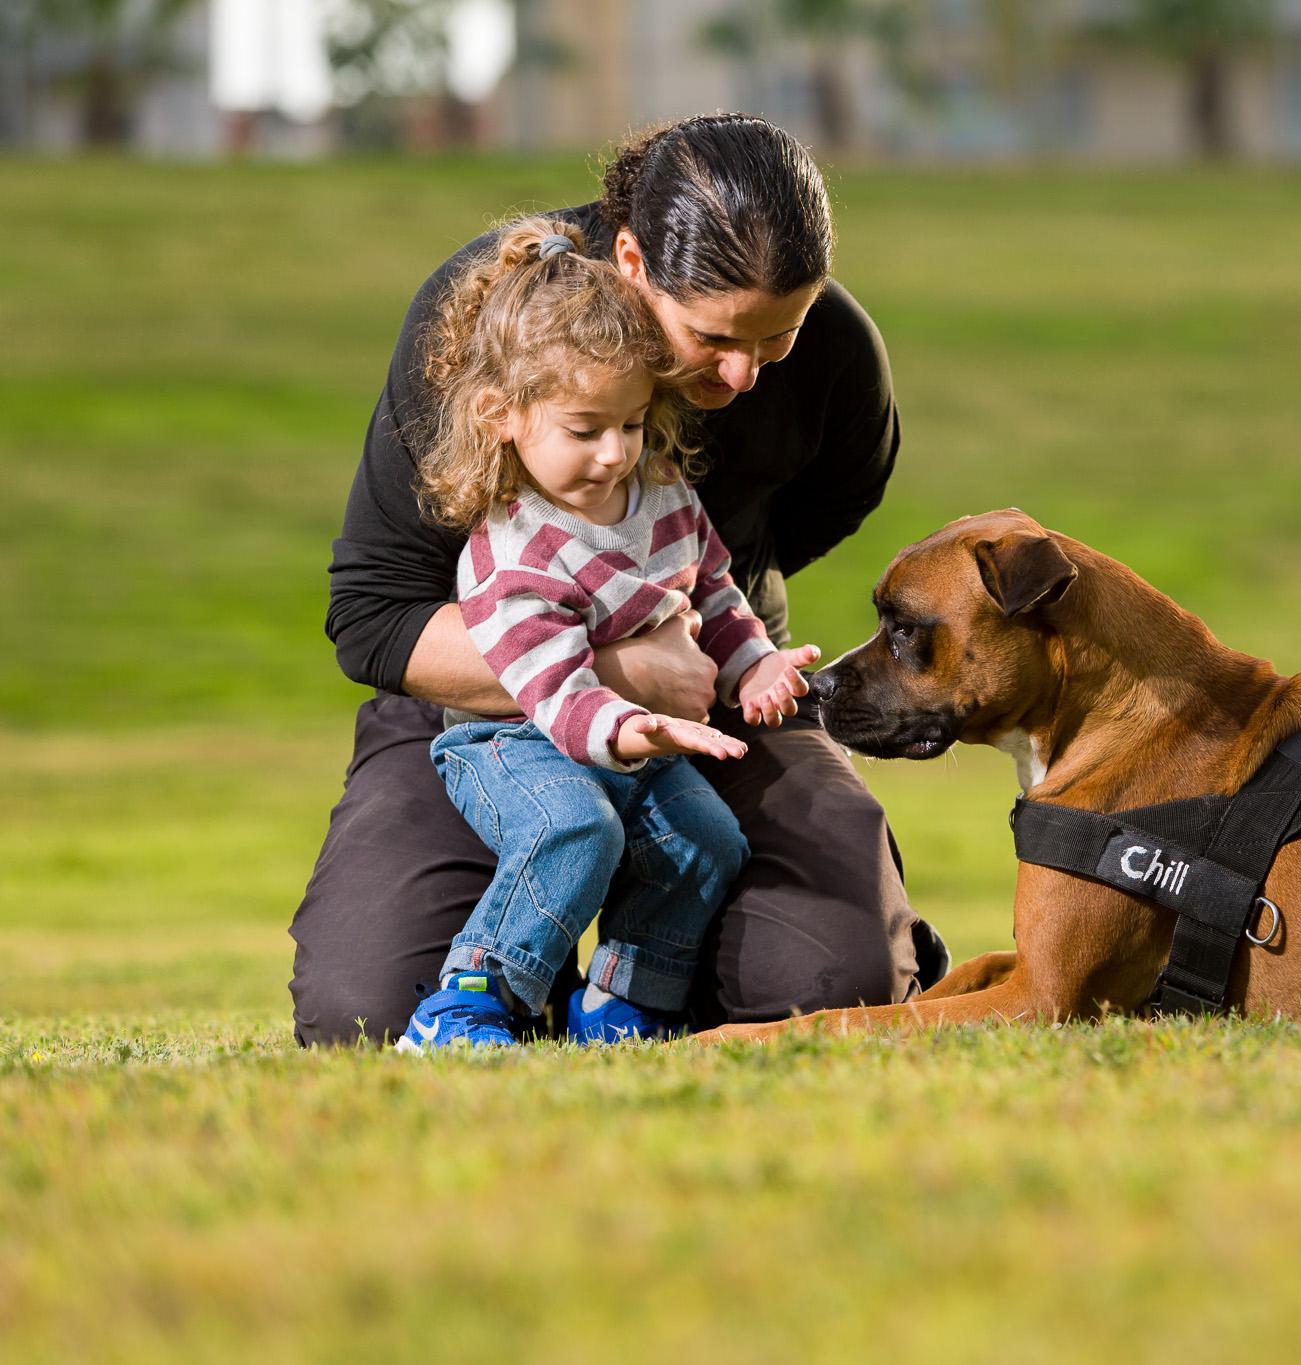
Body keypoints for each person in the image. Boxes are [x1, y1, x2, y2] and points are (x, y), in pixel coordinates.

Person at [290, 115, 946, 1046]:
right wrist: (625, 667)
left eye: (777, 336)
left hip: (719, 695)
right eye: (712, 335)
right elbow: (373, 618)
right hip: (484, 705)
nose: (743, 372)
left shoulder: (835, 351)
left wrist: (718, 638)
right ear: (632, 260)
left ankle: (643, 983)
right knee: (362, 1009)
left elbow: (819, 511)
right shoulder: (490, 317)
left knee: (829, 978)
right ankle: (525, 958)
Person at [397, 218, 824, 1049]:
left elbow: (715, 590)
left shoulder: (661, 493)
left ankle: (626, 1001)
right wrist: (630, 725)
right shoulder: (513, 546)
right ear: (503, 416)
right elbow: (549, 683)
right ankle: (470, 1000)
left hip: (634, 739)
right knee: (575, 828)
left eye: (630, 425)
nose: (614, 454)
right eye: (585, 430)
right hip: (513, 741)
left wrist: (755, 665)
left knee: (706, 841)